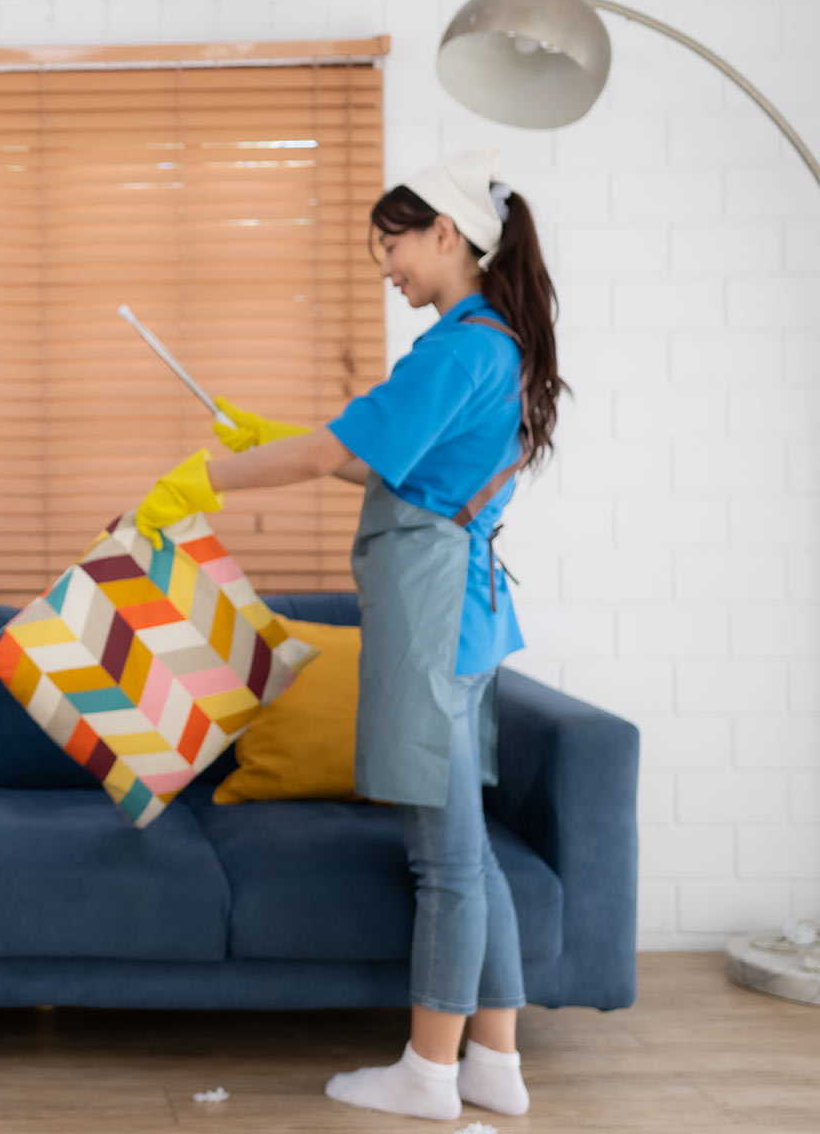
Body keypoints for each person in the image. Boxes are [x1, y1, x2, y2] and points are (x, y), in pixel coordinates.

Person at [135, 149, 564, 1123]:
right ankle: (493, 1058)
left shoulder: (460, 346)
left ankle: (427, 1069)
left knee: (444, 857)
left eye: (395, 243)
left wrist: (207, 476)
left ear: (446, 233)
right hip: (462, 614)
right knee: (473, 850)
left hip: (432, 619)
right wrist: (268, 434)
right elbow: (393, 465)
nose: (386, 266)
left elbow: (341, 449)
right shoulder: (496, 343)